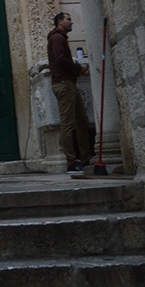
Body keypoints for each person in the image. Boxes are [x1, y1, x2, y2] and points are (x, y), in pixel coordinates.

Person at [47, 12, 92, 174]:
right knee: (68, 123)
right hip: (63, 84)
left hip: (69, 83)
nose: (72, 22)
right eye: (68, 19)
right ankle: (71, 161)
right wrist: (79, 68)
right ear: (60, 22)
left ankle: (86, 157)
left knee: (82, 121)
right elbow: (60, 60)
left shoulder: (60, 38)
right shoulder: (57, 38)